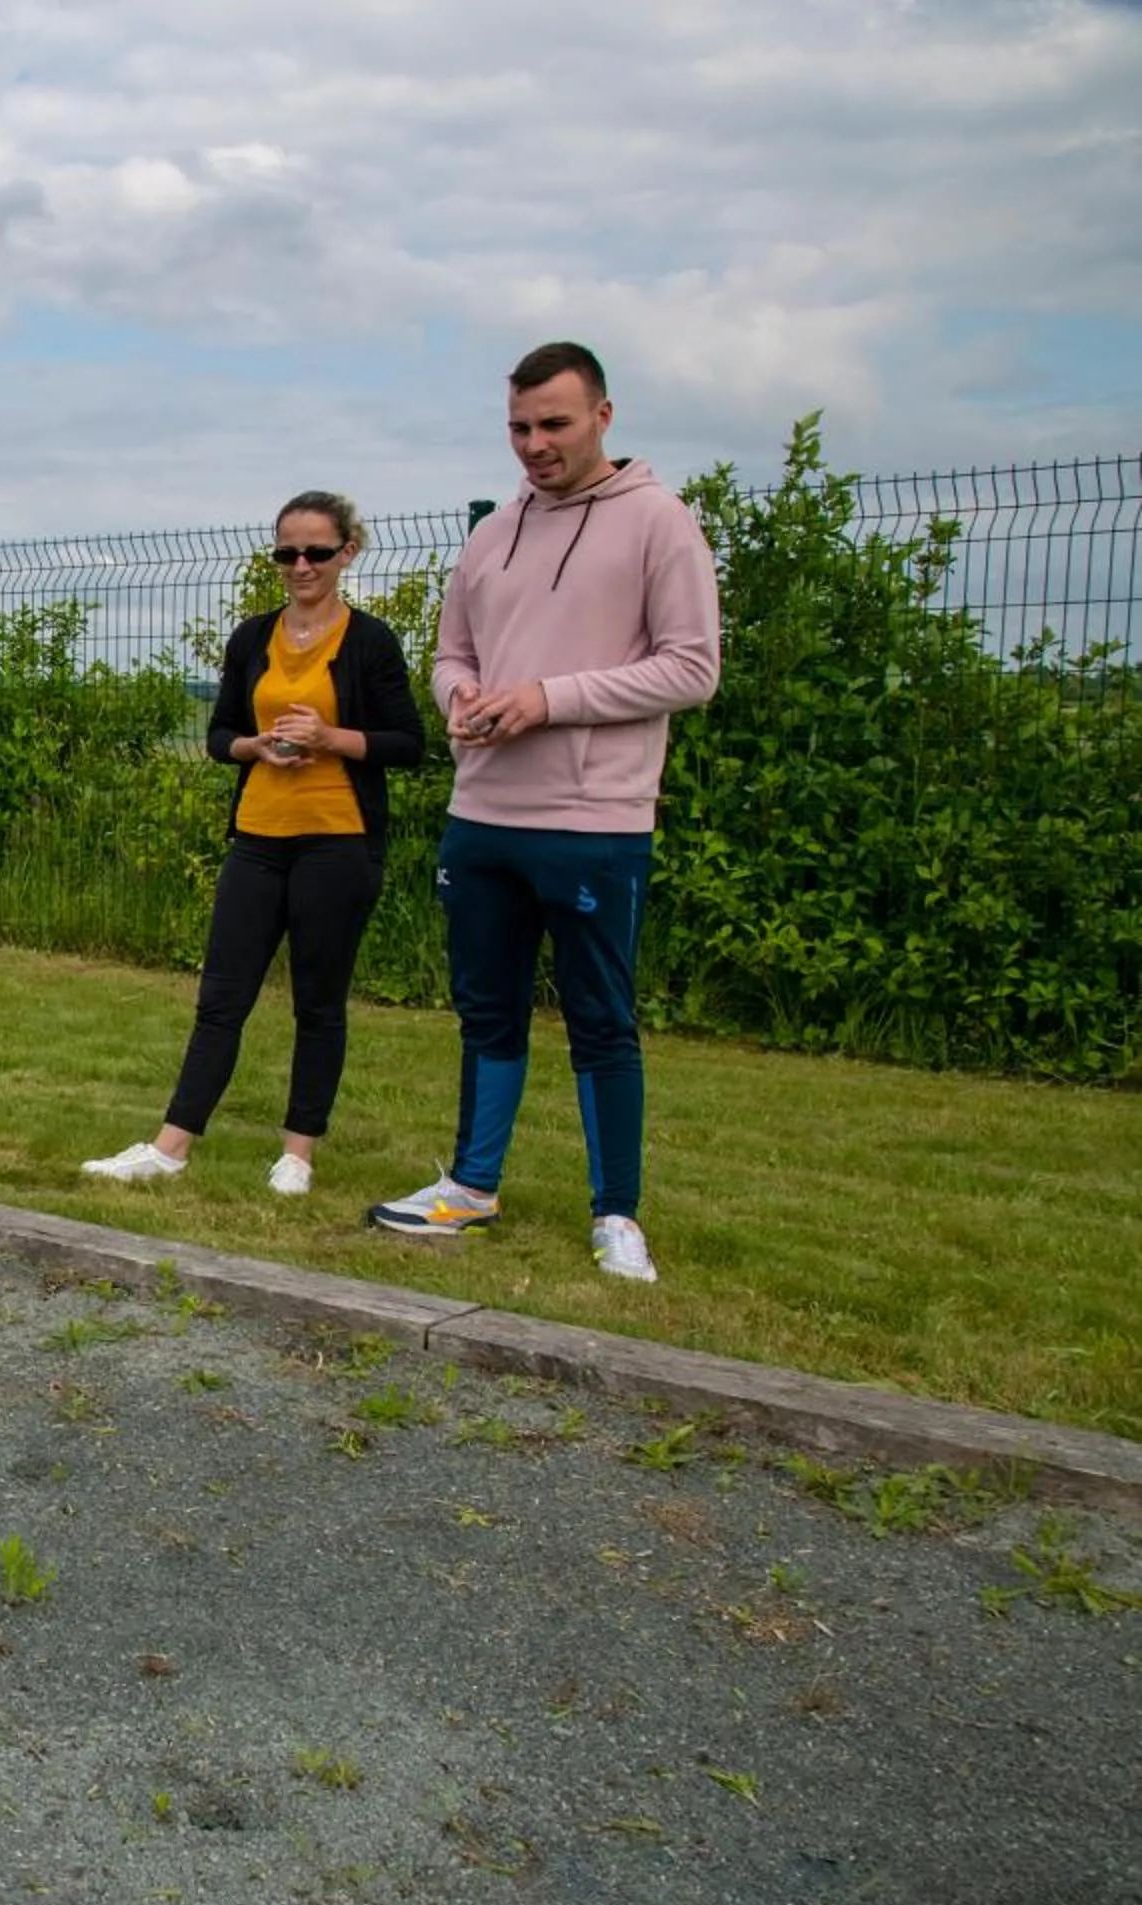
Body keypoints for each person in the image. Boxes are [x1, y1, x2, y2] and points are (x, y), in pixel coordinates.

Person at [367, 342, 721, 1282]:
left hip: (596, 819)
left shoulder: (659, 522)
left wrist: (547, 699)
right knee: (487, 1011)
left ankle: (617, 1217)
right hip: (482, 814)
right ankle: (471, 1187)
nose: (534, 445)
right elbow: (453, 653)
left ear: (604, 416)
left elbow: (693, 668)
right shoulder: (493, 534)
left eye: (554, 424)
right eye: (520, 427)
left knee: (602, 1018)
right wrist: (460, 698)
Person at [84, 492, 425, 1195]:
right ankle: (170, 1147)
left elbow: (409, 744)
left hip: (338, 842)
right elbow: (218, 737)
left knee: (318, 1002)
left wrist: (330, 739)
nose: (300, 566)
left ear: (347, 553)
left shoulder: (370, 642)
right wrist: (255, 748)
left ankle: (297, 1154)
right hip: (258, 839)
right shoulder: (252, 637)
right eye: (287, 553)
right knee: (221, 997)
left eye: (316, 553)